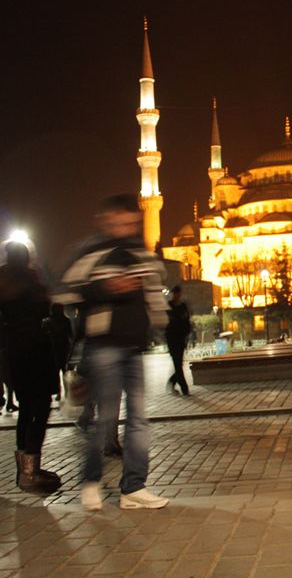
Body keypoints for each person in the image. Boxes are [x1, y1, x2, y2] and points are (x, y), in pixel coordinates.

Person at [57, 193, 170, 509]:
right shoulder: (91, 253)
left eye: (130, 222)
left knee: (138, 420)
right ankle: (91, 481)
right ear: (106, 222)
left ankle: (133, 488)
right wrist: (107, 288)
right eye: (118, 222)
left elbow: (156, 286)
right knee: (105, 418)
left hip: (135, 347)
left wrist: (154, 321)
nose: (124, 228)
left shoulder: (140, 253)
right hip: (103, 346)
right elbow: (65, 290)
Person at [0, 240, 61, 493]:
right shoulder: (29, 280)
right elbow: (45, 307)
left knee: (26, 407)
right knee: (41, 406)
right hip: (34, 347)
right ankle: (30, 470)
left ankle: (24, 470)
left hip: (12, 351)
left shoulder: (2, 280)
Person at [165, 285, 191, 396]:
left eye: (179, 293)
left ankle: (171, 382)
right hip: (172, 339)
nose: (177, 296)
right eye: (176, 293)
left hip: (181, 339)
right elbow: (168, 322)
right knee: (177, 364)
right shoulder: (168, 306)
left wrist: (187, 335)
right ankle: (184, 389)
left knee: (179, 364)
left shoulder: (183, 306)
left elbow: (186, 321)